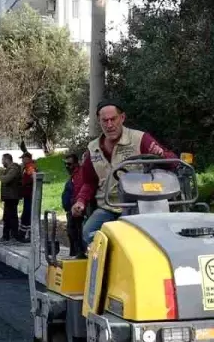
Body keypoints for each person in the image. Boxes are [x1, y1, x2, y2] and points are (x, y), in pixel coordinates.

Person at [72, 99, 175, 249]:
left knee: (124, 233)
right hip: (108, 206)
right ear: (98, 121)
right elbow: (89, 182)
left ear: (122, 118)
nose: (109, 125)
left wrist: (161, 155)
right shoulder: (93, 148)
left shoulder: (140, 139)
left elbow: (173, 163)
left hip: (137, 204)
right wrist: (80, 201)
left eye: (113, 119)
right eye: (104, 120)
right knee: (88, 232)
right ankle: (106, 266)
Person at [60, 153, 85, 257]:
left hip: (76, 210)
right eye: (66, 164)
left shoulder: (80, 174)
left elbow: (79, 191)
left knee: (76, 233)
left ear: (76, 163)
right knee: (71, 232)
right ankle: (74, 253)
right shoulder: (73, 175)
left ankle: (78, 254)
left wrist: (74, 204)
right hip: (70, 209)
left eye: (69, 164)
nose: (67, 167)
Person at [0, 153, 23, 242]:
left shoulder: (14, 169)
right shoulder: (9, 169)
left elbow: (6, 179)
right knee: (6, 217)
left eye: (2, 160)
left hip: (12, 196)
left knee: (12, 216)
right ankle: (6, 236)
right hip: (8, 197)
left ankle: (14, 236)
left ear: (7, 160)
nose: (2, 162)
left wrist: (0, 174)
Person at [18, 152, 36, 242]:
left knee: (27, 214)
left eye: (23, 158)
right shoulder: (26, 167)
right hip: (27, 194)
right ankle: (23, 233)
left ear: (28, 158)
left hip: (30, 194)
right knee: (26, 213)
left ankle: (26, 234)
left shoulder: (30, 167)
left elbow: (33, 177)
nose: (22, 160)